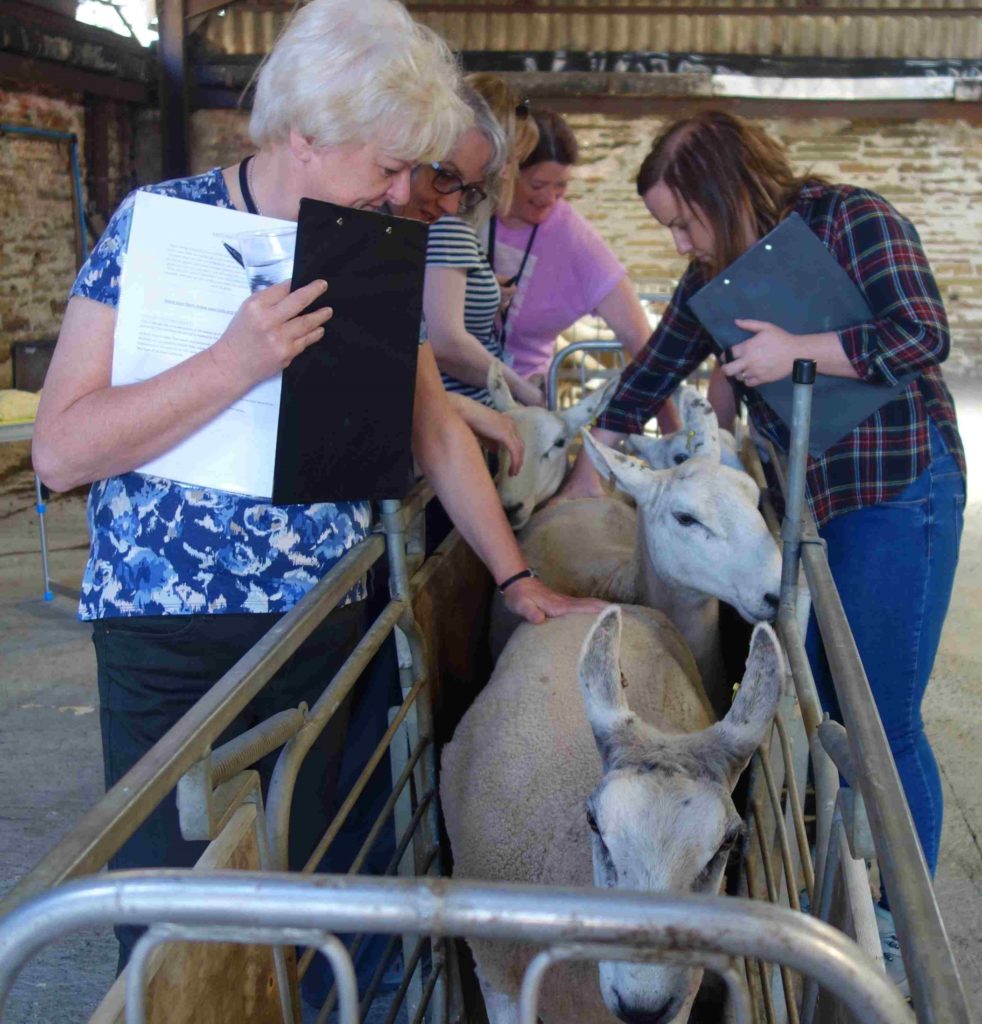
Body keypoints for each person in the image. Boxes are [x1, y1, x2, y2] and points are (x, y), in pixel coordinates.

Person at [31, 0, 602, 970]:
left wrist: (513, 578)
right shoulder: (158, 228)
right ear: (304, 135)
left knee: (345, 901)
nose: (398, 192)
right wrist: (232, 363)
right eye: (385, 166)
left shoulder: (364, 248)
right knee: (181, 928)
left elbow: (430, 424)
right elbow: (61, 450)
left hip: (333, 626)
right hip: (175, 636)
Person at [566, 110, 966, 993]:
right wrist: (593, 455)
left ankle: (900, 931)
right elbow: (651, 367)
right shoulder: (716, 276)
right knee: (832, 682)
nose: (678, 239)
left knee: (883, 717)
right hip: (815, 507)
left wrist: (801, 351)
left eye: (683, 218)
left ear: (725, 187)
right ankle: (853, 878)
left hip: (900, 489)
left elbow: (922, 332)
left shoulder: (852, 219)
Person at [485, 108, 681, 439]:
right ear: (507, 172)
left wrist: (672, 430)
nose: (549, 197)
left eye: (560, 186)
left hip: (526, 405)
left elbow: (638, 339)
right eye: (537, 184)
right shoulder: (471, 210)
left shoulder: (574, 238)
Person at [392, 82, 540, 411]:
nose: (506, 172)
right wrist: (524, 392)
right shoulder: (446, 224)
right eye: (513, 158)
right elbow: (445, 341)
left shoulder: (439, 219)